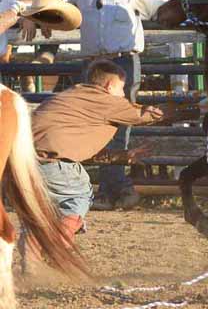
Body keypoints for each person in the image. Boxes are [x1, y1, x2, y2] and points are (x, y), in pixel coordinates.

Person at [19, 59, 189, 272]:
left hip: (23, 163)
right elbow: (145, 114)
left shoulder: (71, 98)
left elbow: (75, 147)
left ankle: (30, 261)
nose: (123, 95)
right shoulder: (105, 100)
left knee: (38, 211)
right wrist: (196, 109)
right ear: (109, 86)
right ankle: (57, 252)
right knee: (77, 197)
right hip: (52, 163)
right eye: (121, 88)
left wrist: (122, 156)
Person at [67, 0, 162, 211]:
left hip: (120, 60)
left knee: (118, 123)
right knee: (94, 124)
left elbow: (153, 11)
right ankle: (114, 187)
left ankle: (111, 187)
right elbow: (69, 16)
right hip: (96, 61)